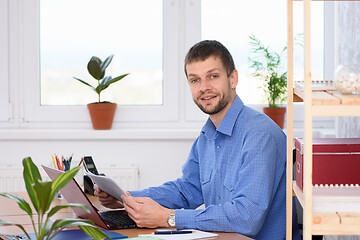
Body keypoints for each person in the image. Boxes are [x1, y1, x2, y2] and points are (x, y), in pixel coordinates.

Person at [94, 40, 301, 239]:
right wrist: (125, 198)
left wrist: (169, 218)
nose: (203, 87)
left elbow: (246, 217)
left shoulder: (259, 134)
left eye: (212, 76)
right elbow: (187, 190)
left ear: (233, 79)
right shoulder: (208, 134)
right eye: (195, 80)